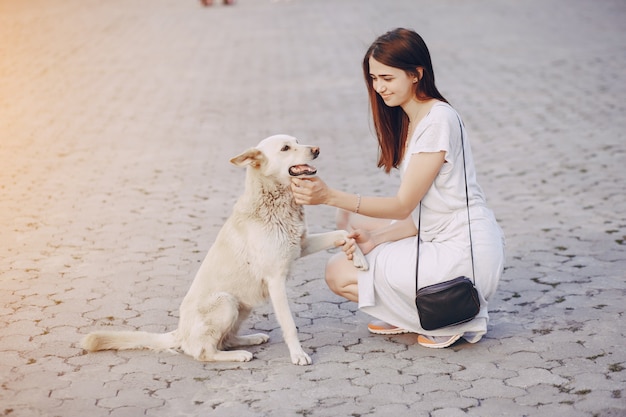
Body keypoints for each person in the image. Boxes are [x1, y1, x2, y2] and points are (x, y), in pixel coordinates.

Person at [290, 28, 505, 349]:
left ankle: (450, 317)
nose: (379, 88)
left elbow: (404, 205)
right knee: (351, 229)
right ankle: (408, 310)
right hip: (435, 235)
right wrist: (376, 238)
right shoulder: (413, 120)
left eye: (387, 78)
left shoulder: (438, 121)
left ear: (416, 74)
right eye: (374, 78)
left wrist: (329, 195)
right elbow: (422, 212)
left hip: (463, 257)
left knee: (338, 271)